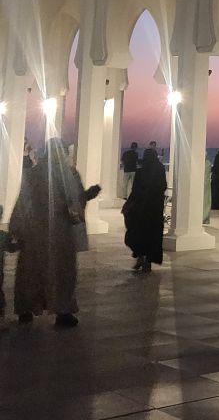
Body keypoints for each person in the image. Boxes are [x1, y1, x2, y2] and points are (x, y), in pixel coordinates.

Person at [8, 138, 101, 327]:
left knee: (30, 271)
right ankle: (63, 311)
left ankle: (25, 309)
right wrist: (87, 195)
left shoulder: (32, 175)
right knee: (62, 273)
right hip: (60, 233)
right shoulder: (68, 175)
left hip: (35, 232)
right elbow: (75, 204)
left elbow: (22, 204)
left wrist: (15, 229)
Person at [122, 147, 167, 273]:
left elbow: (135, 191)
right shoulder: (160, 170)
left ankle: (140, 257)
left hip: (141, 211)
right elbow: (163, 186)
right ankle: (147, 262)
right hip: (154, 211)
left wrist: (130, 204)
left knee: (138, 234)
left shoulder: (141, 172)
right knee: (152, 237)